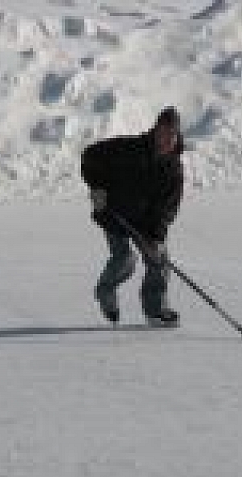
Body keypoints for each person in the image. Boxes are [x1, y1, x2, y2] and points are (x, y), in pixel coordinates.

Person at [81, 106, 185, 326]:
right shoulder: (129, 148)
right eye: (164, 132)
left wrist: (155, 237)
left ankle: (155, 310)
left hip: (145, 222)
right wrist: (97, 188)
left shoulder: (174, 169)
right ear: (155, 130)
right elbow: (90, 155)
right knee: (124, 260)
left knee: (158, 260)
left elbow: (168, 208)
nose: (167, 138)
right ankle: (105, 292)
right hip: (114, 213)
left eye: (172, 134)